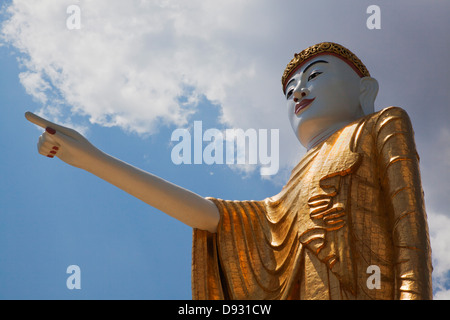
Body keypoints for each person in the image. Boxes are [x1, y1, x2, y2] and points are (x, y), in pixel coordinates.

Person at [26, 42, 432, 300]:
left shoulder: (380, 125)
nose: (299, 92)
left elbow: (408, 230)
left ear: (366, 90)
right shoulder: (292, 188)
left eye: (316, 75)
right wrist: (92, 158)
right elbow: (212, 217)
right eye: (290, 91)